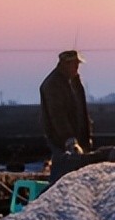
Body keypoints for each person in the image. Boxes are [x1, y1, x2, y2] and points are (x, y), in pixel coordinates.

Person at [40, 50, 94, 183]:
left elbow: (81, 110)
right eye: (74, 64)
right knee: (62, 174)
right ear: (65, 64)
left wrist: (86, 137)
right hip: (61, 141)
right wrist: (69, 140)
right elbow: (57, 116)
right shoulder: (52, 85)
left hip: (79, 139)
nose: (77, 67)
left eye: (78, 64)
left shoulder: (74, 82)